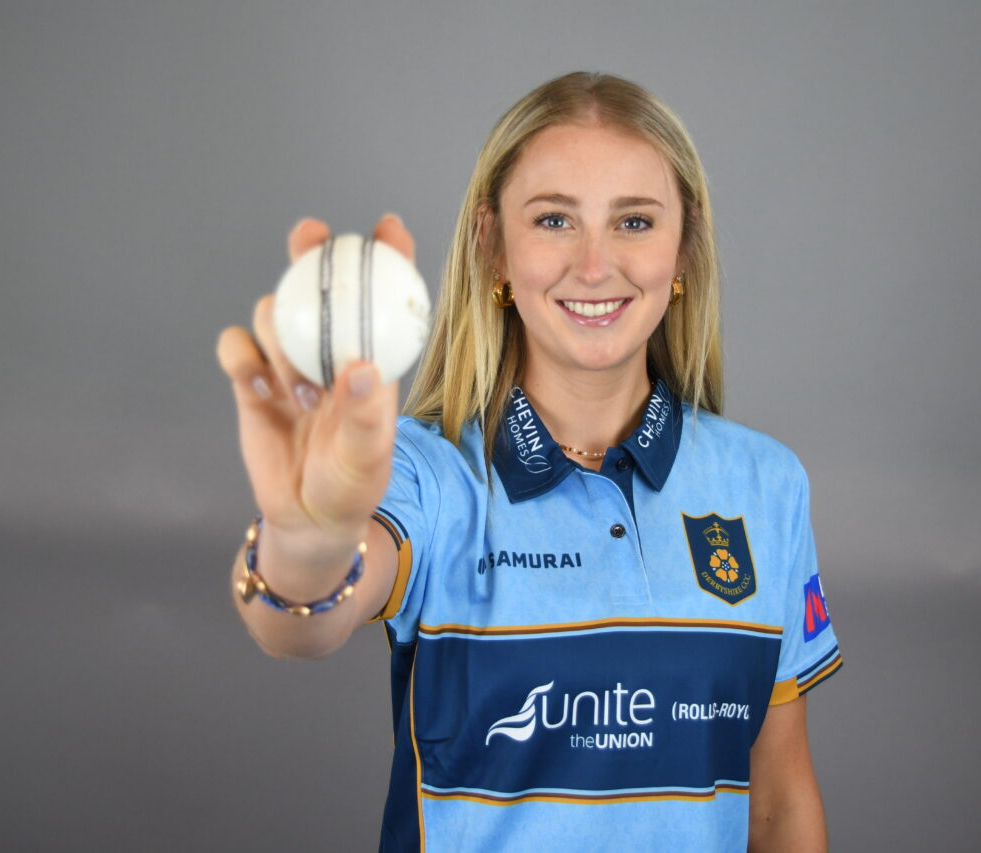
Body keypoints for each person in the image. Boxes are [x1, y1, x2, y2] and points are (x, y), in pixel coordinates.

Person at [216, 71, 841, 852]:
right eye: (553, 219)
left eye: (635, 221)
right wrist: (306, 535)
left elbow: (778, 801)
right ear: (493, 248)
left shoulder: (765, 485)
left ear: (684, 247)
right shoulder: (424, 472)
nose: (595, 264)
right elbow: (298, 626)